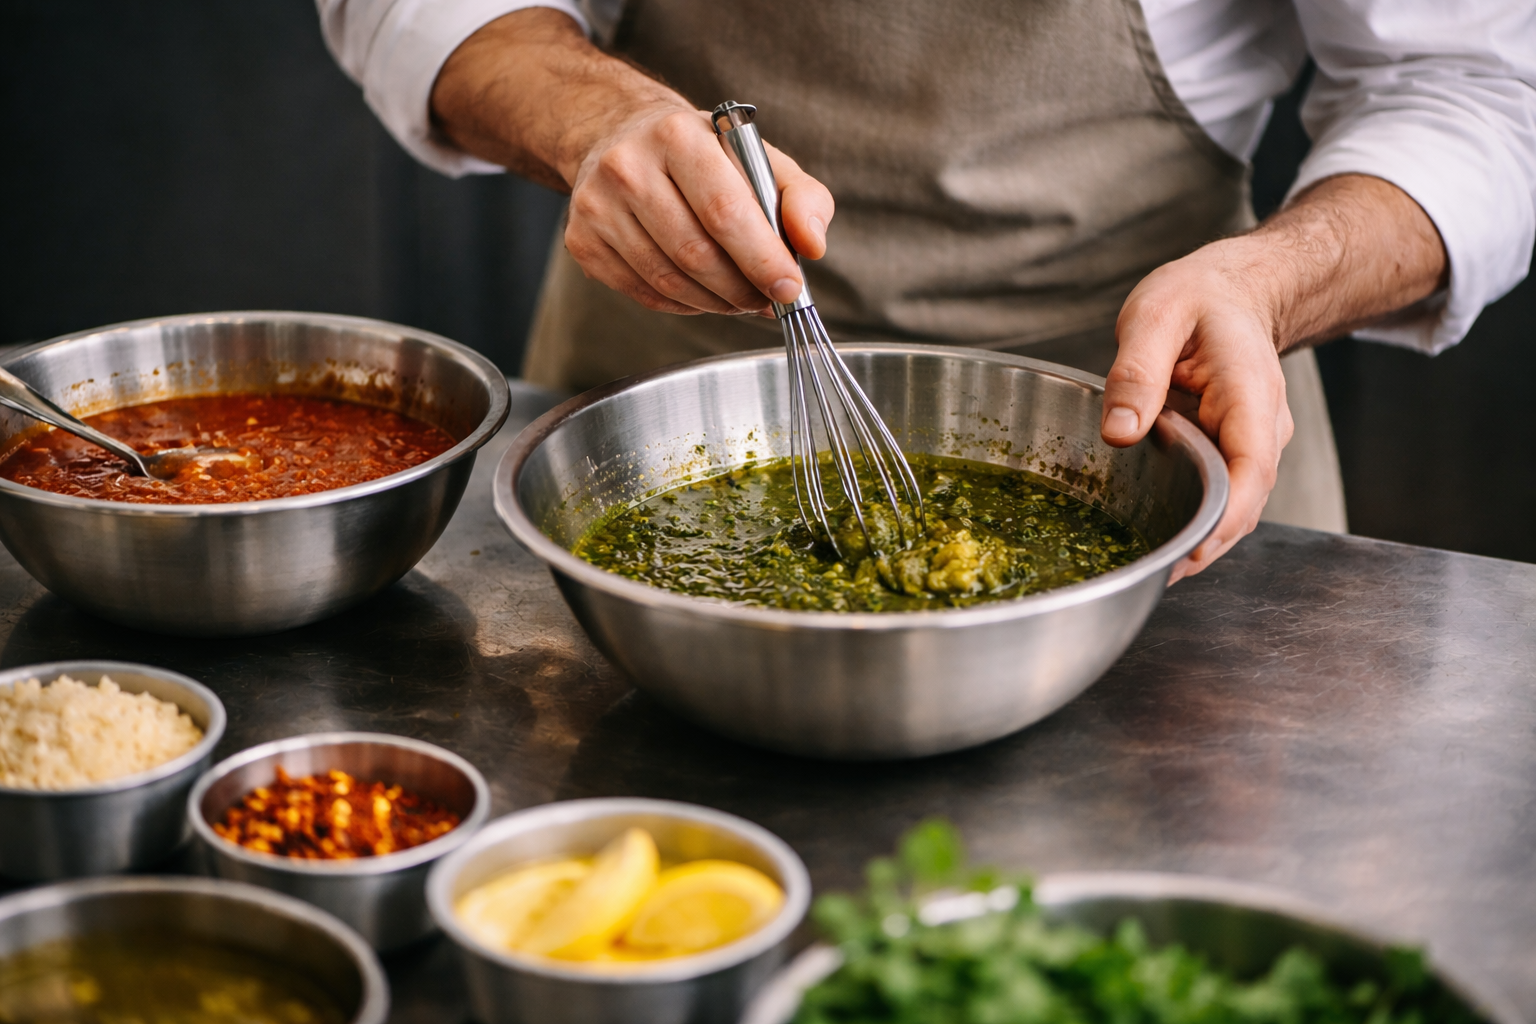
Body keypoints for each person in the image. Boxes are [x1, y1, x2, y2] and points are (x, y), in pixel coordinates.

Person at [319, 0, 1535, 580]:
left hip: (1165, 425)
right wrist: (593, 116)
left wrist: (1271, 282)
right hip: (653, 387)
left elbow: (1479, 89)